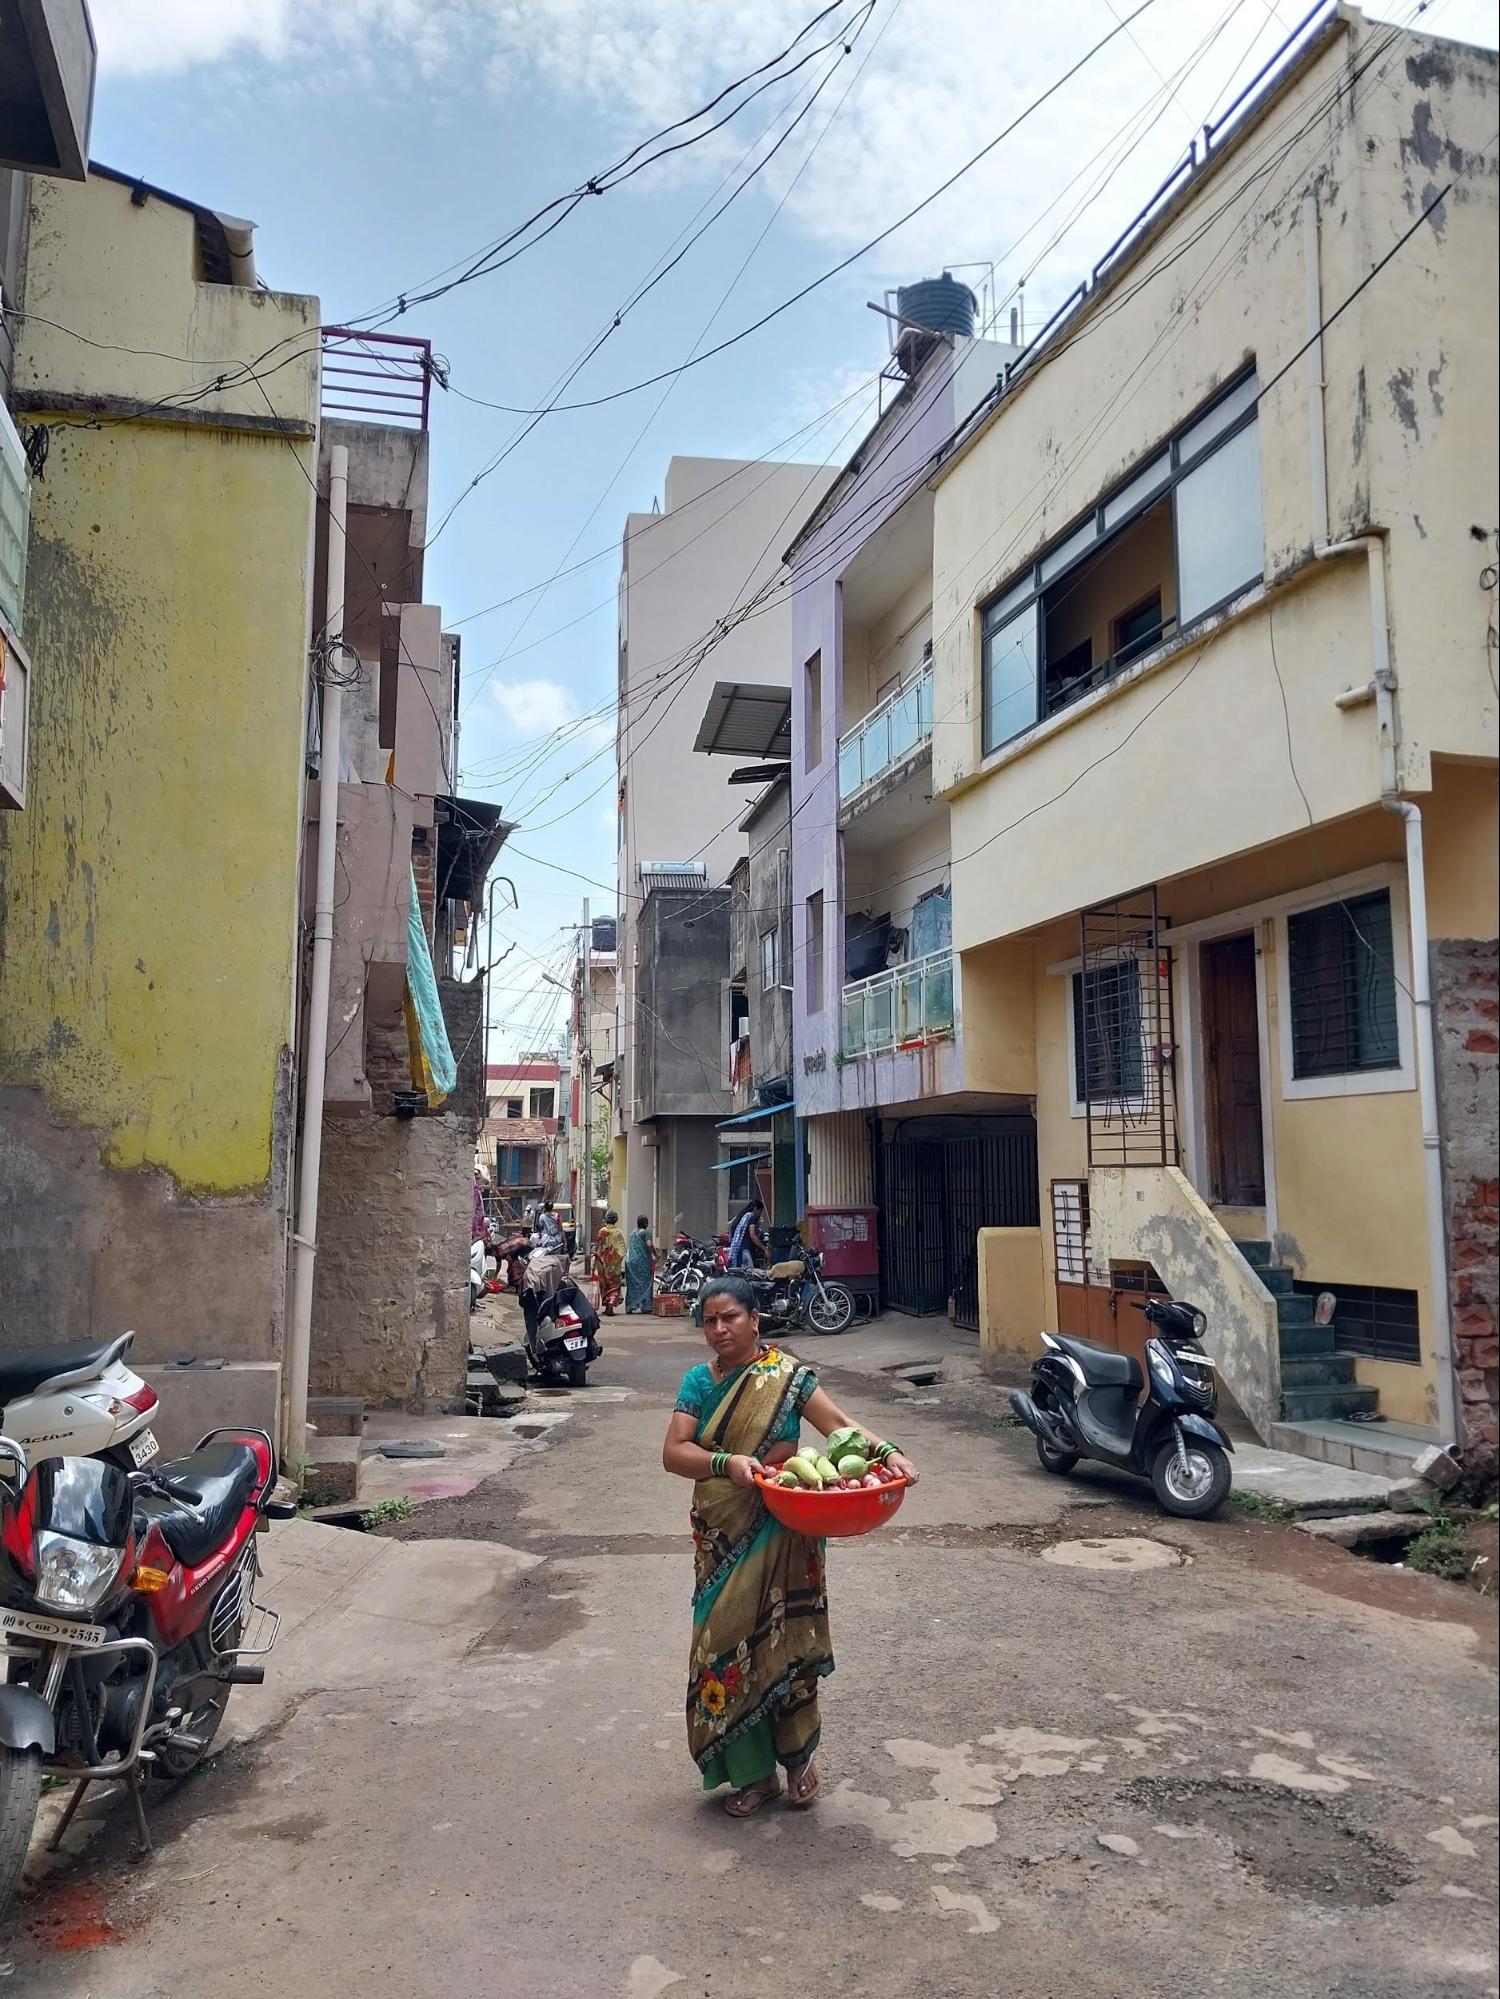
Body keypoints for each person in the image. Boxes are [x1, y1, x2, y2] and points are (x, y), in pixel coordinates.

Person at [661, 1274, 918, 1817]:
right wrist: (725, 1463)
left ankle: (799, 1761)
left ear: (755, 1319)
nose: (719, 1329)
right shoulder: (698, 1382)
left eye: (731, 1317)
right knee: (726, 1647)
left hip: (786, 1528)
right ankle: (754, 1776)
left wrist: (888, 1453)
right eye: (710, 1320)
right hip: (722, 1536)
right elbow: (674, 1452)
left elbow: (840, 1426)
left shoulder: (789, 1376)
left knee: (789, 1642)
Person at [592, 1210, 626, 1316]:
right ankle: (611, 1302)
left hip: (603, 1263)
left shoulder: (602, 1231)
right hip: (614, 1263)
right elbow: (623, 1249)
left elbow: (598, 1248)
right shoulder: (618, 1232)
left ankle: (607, 1304)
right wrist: (617, 1259)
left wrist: (595, 1264)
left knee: (604, 1284)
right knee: (614, 1284)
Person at [625, 1215, 656, 1314]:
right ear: (646, 1223)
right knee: (645, 1283)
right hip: (642, 1262)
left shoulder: (632, 1234)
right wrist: (656, 1254)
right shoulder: (646, 1233)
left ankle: (630, 1305)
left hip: (630, 1262)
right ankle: (646, 1306)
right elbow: (649, 1244)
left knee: (633, 1284)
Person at [727, 1197, 766, 1270]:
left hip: (737, 1251)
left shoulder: (742, 1216)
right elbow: (753, 1236)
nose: (760, 1214)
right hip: (745, 1251)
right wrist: (765, 1249)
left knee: (737, 1271)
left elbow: (730, 1225)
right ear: (755, 1209)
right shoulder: (752, 1217)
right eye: (760, 1211)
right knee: (747, 1272)